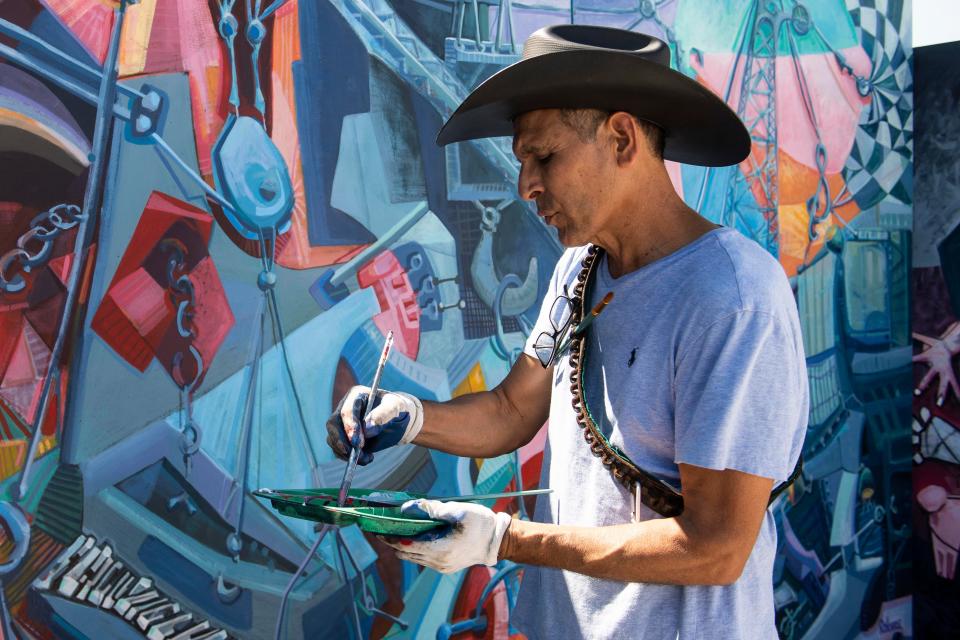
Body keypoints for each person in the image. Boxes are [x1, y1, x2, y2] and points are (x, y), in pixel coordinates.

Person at [325, 25, 807, 639]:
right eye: (523, 161)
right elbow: (509, 410)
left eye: (544, 157)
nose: (525, 185)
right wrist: (411, 417)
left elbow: (715, 549)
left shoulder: (733, 298)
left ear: (622, 138)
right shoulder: (579, 271)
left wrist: (505, 539)